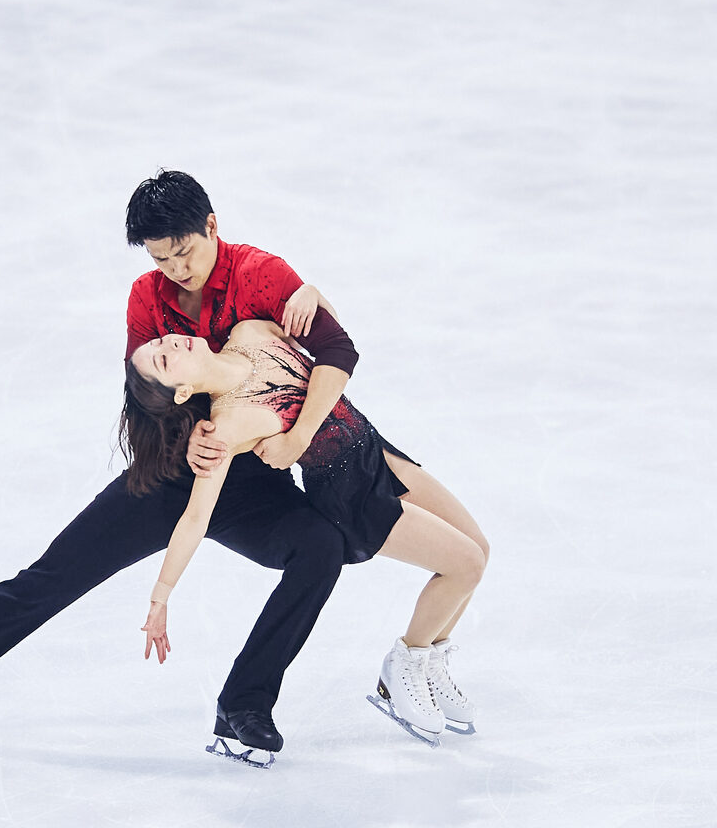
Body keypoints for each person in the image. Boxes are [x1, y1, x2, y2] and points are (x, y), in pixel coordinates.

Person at [0, 171, 362, 762]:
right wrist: (192, 434)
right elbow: (145, 394)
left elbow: (328, 347)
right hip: (176, 473)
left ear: (212, 227)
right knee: (47, 582)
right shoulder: (147, 298)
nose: (176, 268)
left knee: (321, 549)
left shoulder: (258, 273)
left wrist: (314, 293)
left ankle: (244, 704)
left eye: (185, 251)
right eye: (161, 257)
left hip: (252, 481)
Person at [123, 318, 490, 743]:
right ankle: (406, 662)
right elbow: (195, 517)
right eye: (165, 359)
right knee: (465, 565)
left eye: (161, 340)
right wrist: (160, 595)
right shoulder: (226, 426)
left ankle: (429, 660)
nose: (171, 341)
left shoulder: (249, 333)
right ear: (182, 393)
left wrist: (311, 293)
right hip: (350, 494)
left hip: (374, 449)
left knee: (479, 547)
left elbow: (331, 337)